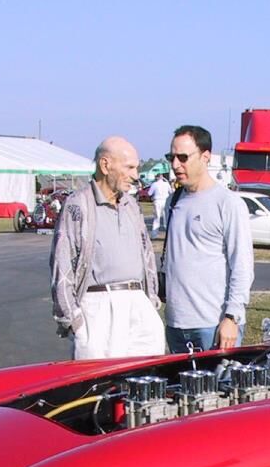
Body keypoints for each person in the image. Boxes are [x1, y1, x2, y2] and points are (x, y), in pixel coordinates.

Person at [50, 136, 165, 359]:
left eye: (136, 168)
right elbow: (61, 263)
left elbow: (147, 253)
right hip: (97, 309)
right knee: (100, 386)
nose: (135, 175)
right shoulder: (78, 204)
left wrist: (150, 302)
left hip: (139, 306)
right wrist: (74, 321)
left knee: (145, 382)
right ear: (106, 165)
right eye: (129, 167)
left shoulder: (131, 205)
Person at [161, 125, 254, 353]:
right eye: (171, 157)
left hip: (213, 325)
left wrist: (231, 317)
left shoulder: (228, 203)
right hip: (175, 325)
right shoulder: (172, 202)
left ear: (205, 157)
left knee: (220, 389)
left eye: (183, 157)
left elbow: (242, 265)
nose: (175, 165)